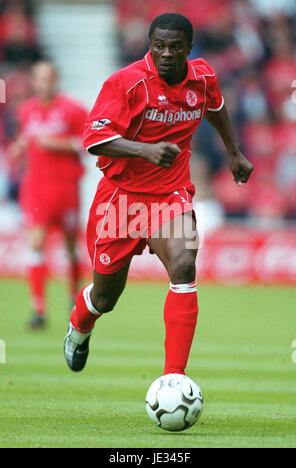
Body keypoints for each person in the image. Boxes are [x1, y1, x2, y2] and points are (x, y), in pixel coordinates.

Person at [64, 14, 253, 374]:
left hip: (170, 193)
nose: (166, 53)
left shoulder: (202, 77)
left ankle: (174, 379)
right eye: (159, 46)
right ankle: (80, 324)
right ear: (150, 45)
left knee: (184, 265)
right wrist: (145, 150)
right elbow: (94, 139)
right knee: (105, 298)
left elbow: (214, 105)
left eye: (175, 47)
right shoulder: (125, 83)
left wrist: (234, 151)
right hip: (120, 198)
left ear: (189, 48)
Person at [11, 61, 88, 329]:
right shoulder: (25, 110)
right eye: (39, 78)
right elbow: (25, 139)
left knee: (70, 246)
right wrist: (19, 147)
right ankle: (38, 310)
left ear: (56, 80)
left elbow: (88, 142)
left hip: (65, 186)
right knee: (36, 242)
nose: (44, 83)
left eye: (49, 78)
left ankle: (72, 297)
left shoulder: (74, 109)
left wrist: (54, 143)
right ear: (34, 81)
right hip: (36, 187)